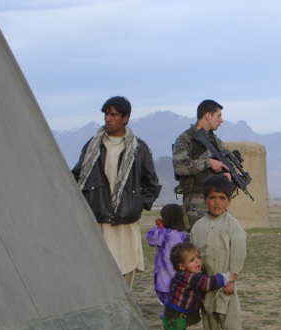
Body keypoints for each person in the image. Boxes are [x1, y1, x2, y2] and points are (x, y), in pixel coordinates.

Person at [72, 96, 160, 287]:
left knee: (124, 275)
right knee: (98, 277)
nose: (108, 119)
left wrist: (136, 206)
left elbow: (151, 183)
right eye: (106, 114)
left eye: (113, 114)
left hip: (125, 223)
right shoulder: (92, 146)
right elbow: (77, 177)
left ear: (125, 118)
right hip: (97, 220)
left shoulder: (138, 149)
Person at [189, 175, 247, 330]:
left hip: (226, 281)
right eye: (212, 197)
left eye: (222, 198)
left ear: (229, 200)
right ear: (204, 199)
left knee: (229, 315)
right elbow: (194, 253)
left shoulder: (233, 226)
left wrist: (232, 279)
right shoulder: (198, 226)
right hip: (206, 282)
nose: (217, 202)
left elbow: (239, 253)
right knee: (209, 314)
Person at [164, 242, 236, 330]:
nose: (197, 262)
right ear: (181, 266)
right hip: (174, 316)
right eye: (191, 260)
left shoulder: (184, 275)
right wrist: (226, 277)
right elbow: (208, 283)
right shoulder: (190, 278)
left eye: (198, 257)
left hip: (178, 316)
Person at [172, 99, 231, 230]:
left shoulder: (217, 143)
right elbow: (180, 167)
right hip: (196, 203)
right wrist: (208, 162)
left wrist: (225, 177)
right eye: (219, 115)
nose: (221, 120)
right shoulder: (186, 139)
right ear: (207, 116)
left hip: (217, 203)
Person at [146, 204, 187, 305]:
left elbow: (151, 240)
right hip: (178, 277)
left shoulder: (164, 233)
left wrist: (157, 227)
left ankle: (169, 316)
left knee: (167, 301)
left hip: (165, 277)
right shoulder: (181, 234)